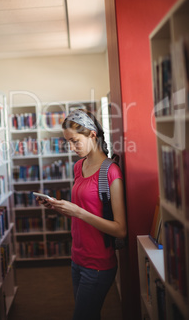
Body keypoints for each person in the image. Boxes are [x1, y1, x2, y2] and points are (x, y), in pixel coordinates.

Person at [36, 109, 127, 320]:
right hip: (77, 258)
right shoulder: (79, 166)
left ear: (92, 134)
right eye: (67, 142)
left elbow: (120, 229)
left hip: (98, 264)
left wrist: (78, 211)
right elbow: (84, 212)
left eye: (75, 141)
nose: (71, 147)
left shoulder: (111, 171)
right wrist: (58, 207)